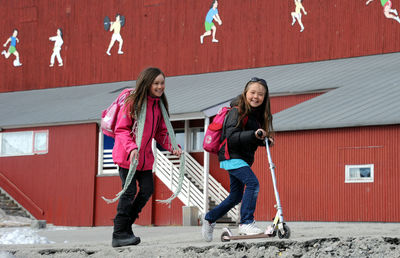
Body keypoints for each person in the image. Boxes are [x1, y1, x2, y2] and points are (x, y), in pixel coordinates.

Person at [111, 67, 182, 247]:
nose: (160, 87)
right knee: (128, 192)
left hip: (145, 159)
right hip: (128, 156)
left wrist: (173, 147)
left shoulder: (158, 106)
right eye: (156, 83)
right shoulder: (133, 102)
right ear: (147, 83)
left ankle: (126, 227)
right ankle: (119, 233)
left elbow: (161, 132)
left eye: (162, 83)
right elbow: (121, 129)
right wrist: (131, 148)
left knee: (147, 189)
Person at [202, 77, 274, 242]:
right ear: (245, 93)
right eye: (253, 93)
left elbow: (250, 138)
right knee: (253, 183)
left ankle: (210, 218)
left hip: (241, 159)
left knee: (235, 196)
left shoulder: (256, 116)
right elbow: (231, 137)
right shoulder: (237, 111)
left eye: (260, 94)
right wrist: (253, 134)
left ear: (265, 98)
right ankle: (246, 222)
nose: (256, 97)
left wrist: (264, 140)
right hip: (231, 155)